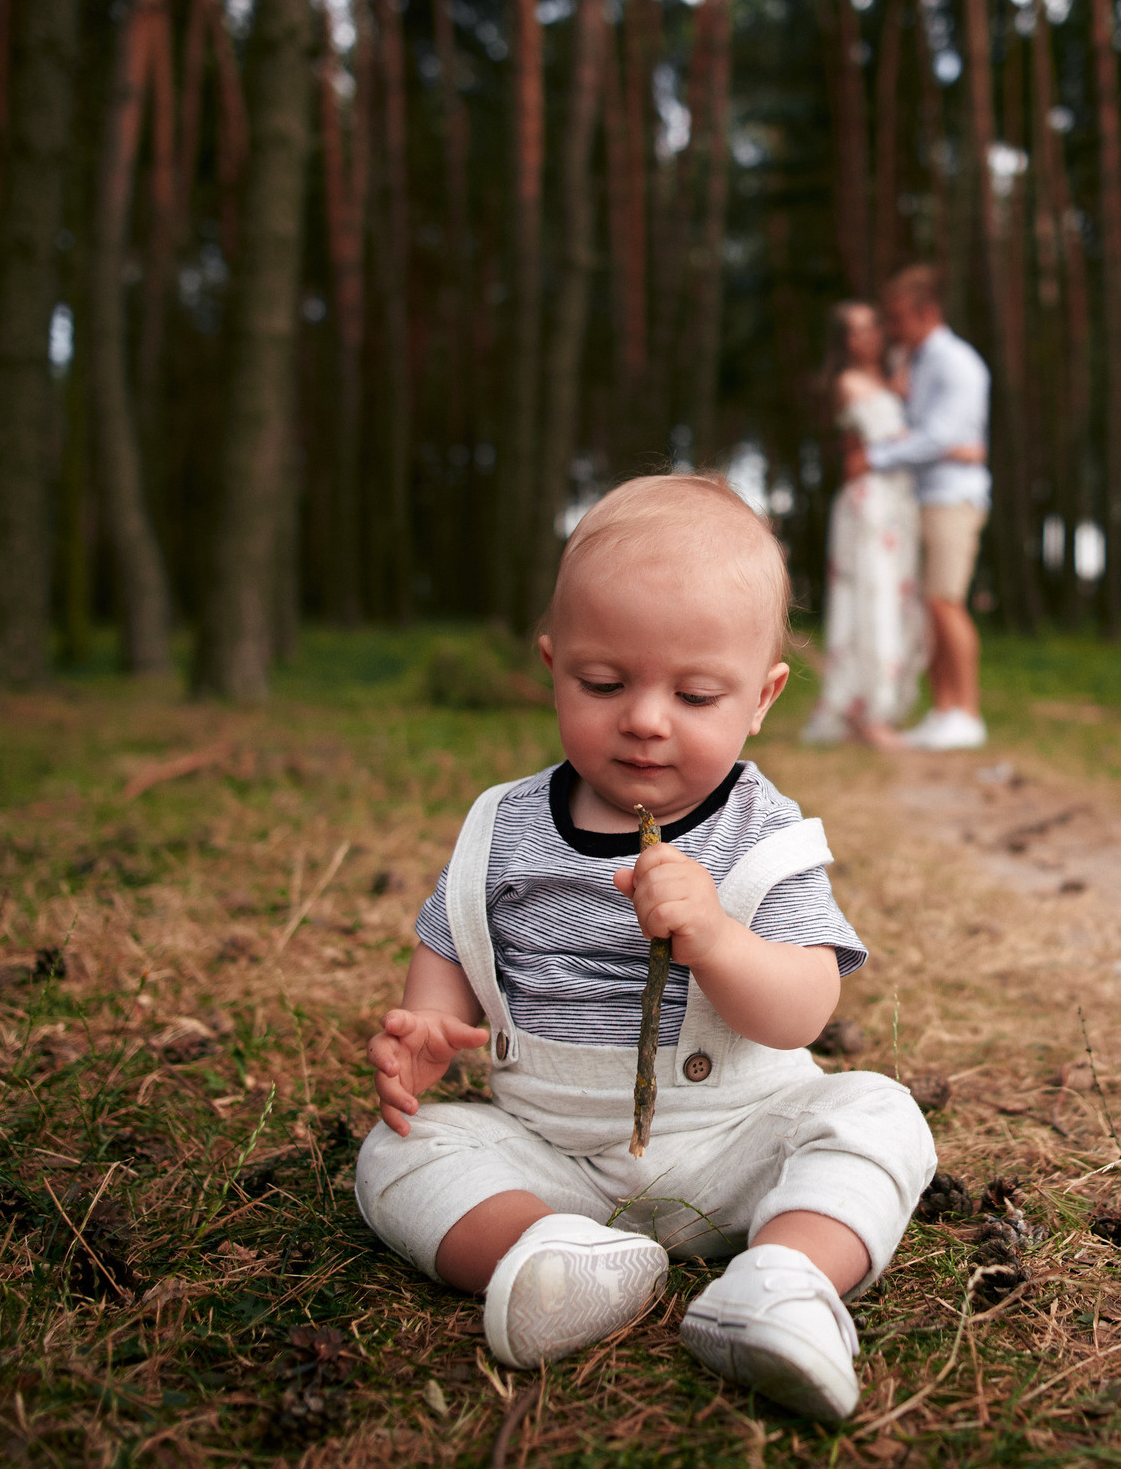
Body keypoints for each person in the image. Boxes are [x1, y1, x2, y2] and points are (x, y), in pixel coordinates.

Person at [355, 473, 936, 1422]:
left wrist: (714, 938)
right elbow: (452, 939)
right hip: (550, 1151)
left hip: (736, 1145)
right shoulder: (505, 828)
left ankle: (783, 1279)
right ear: (553, 667)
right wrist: (426, 1025)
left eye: (697, 693)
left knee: (878, 1118)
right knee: (399, 1153)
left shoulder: (763, 833)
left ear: (761, 698)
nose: (646, 718)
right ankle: (555, 1256)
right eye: (604, 683)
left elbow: (804, 1008)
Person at [850, 264, 990, 751]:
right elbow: (928, 435)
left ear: (928, 312)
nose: (891, 328)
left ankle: (968, 714)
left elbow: (939, 436)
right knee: (929, 608)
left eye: (897, 317)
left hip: (952, 498)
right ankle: (944, 709)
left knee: (945, 601)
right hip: (919, 498)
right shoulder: (916, 362)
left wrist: (876, 457)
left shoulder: (955, 362)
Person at [802, 302, 928, 748]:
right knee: (871, 600)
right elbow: (883, 443)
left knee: (899, 599)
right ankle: (870, 713)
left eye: (872, 325)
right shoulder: (850, 383)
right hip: (868, 500)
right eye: (855, 331)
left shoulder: (892, 377)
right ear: (844, 341)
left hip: (899, 500)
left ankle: (881, 708)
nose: (867, 336)